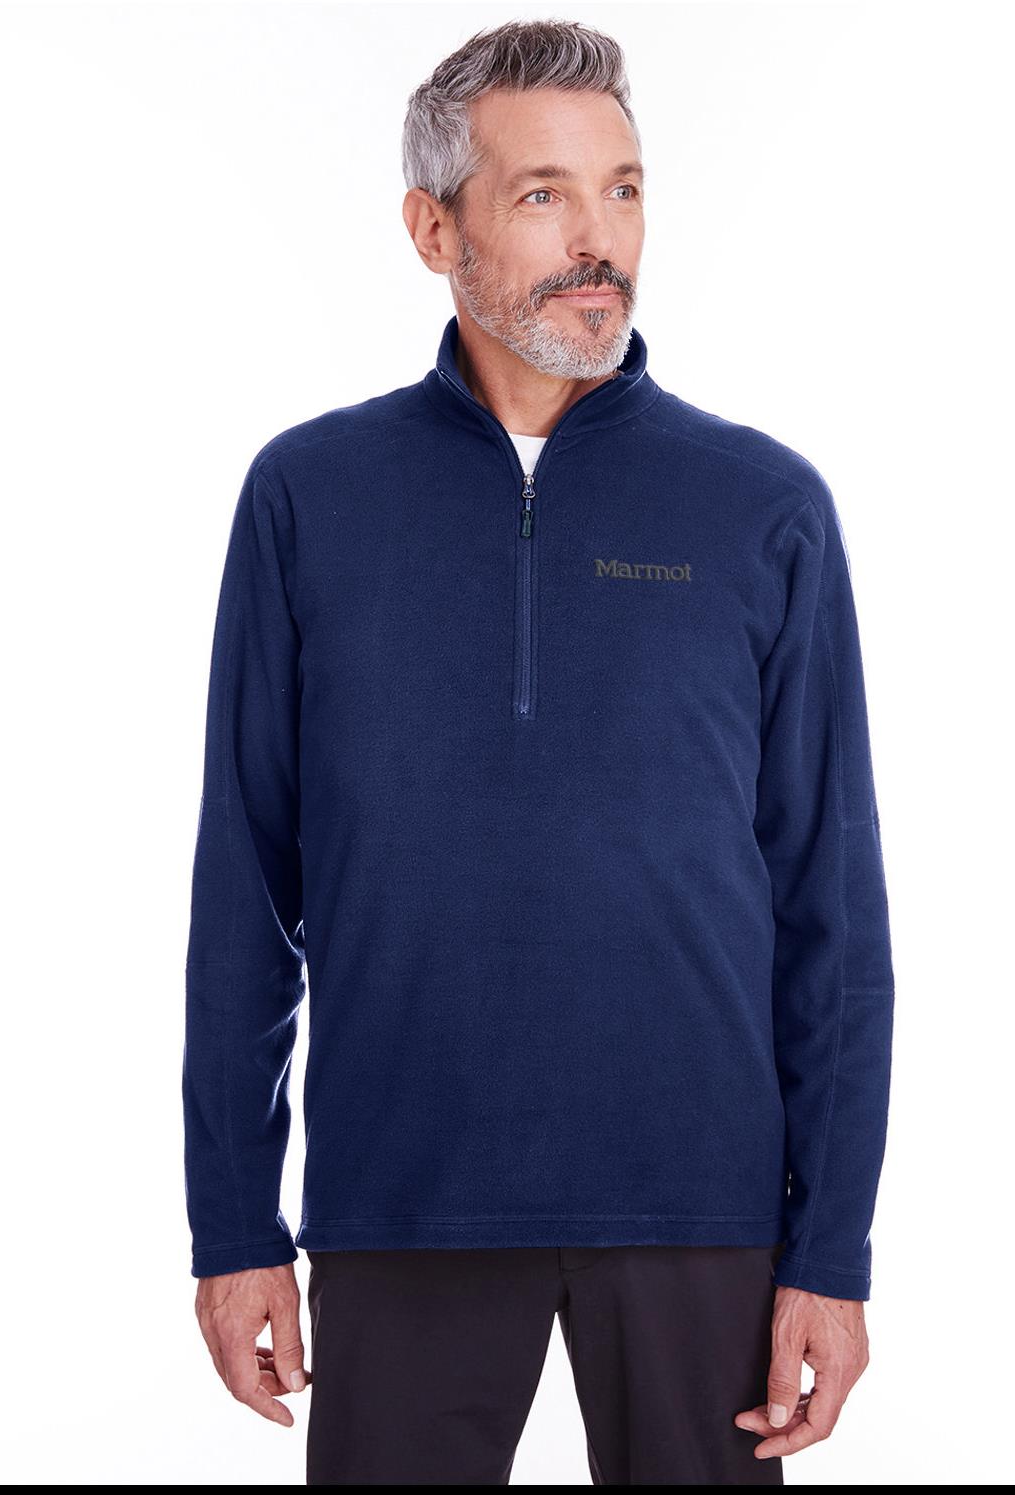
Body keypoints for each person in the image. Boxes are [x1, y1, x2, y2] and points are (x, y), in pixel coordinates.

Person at [182, 18, 895, 1486]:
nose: (598, 239)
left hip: (702, 1209)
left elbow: (833, 912)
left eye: (622, 190)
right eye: (543, 194)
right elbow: (243, 892)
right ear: (432, 228)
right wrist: (234, 1223)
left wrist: (831, 1250)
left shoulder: (762, 507)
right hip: (405, 1200)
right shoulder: (309, 497)